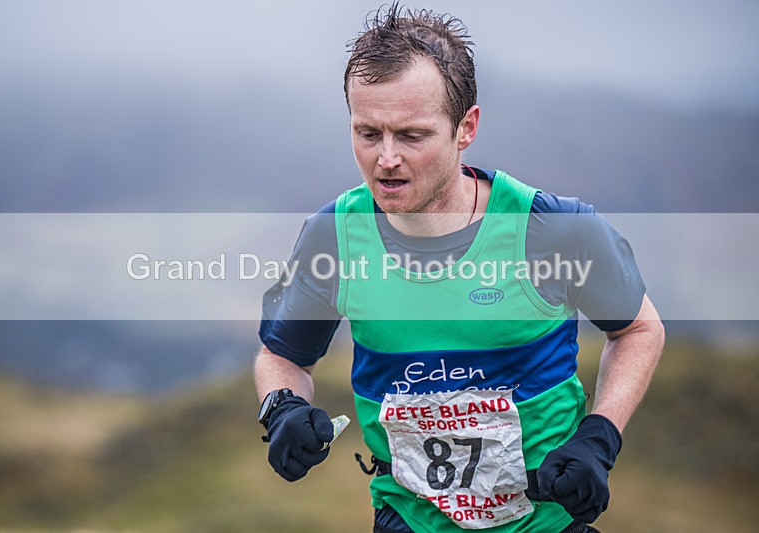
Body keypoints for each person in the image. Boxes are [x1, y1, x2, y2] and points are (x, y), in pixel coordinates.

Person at [254, 4, 665, 532]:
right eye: (368, 133)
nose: (386, 158)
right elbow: (282, 355)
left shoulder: (555, 229)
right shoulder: (333, 234)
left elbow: (639, 328)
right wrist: (282, 407)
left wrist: (599, 437)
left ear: (465, 127)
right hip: (403, 519)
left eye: (412, 135)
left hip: (548, 522)